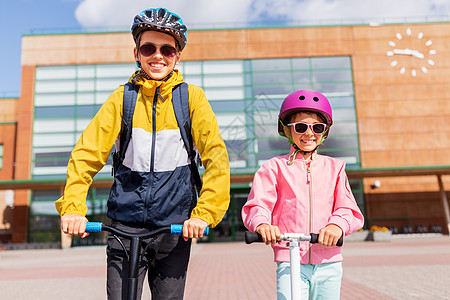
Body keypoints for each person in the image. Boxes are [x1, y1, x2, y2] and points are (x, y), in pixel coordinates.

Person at [55, 7, 230, 300]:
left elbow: (217, 159)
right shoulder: (122, 98)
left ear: (178, 56)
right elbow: (84, 156)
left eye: (167, 50)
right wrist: (73, 207)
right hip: (124, 227)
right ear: (136, 52)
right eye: (148, 47)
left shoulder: (191, 98)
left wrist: (204, 215)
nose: (158, 55)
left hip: (174, 228)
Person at [241, 90, 364, 300]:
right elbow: (258, 205)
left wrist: (336, 226)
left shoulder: (334, 168)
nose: (309, 134)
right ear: (287, 131)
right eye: (300, 127)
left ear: (324, 132)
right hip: (290, 259)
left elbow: (348, 208)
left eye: (317, 127)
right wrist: (262, 225)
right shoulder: (273, 168)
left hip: (330, 262)